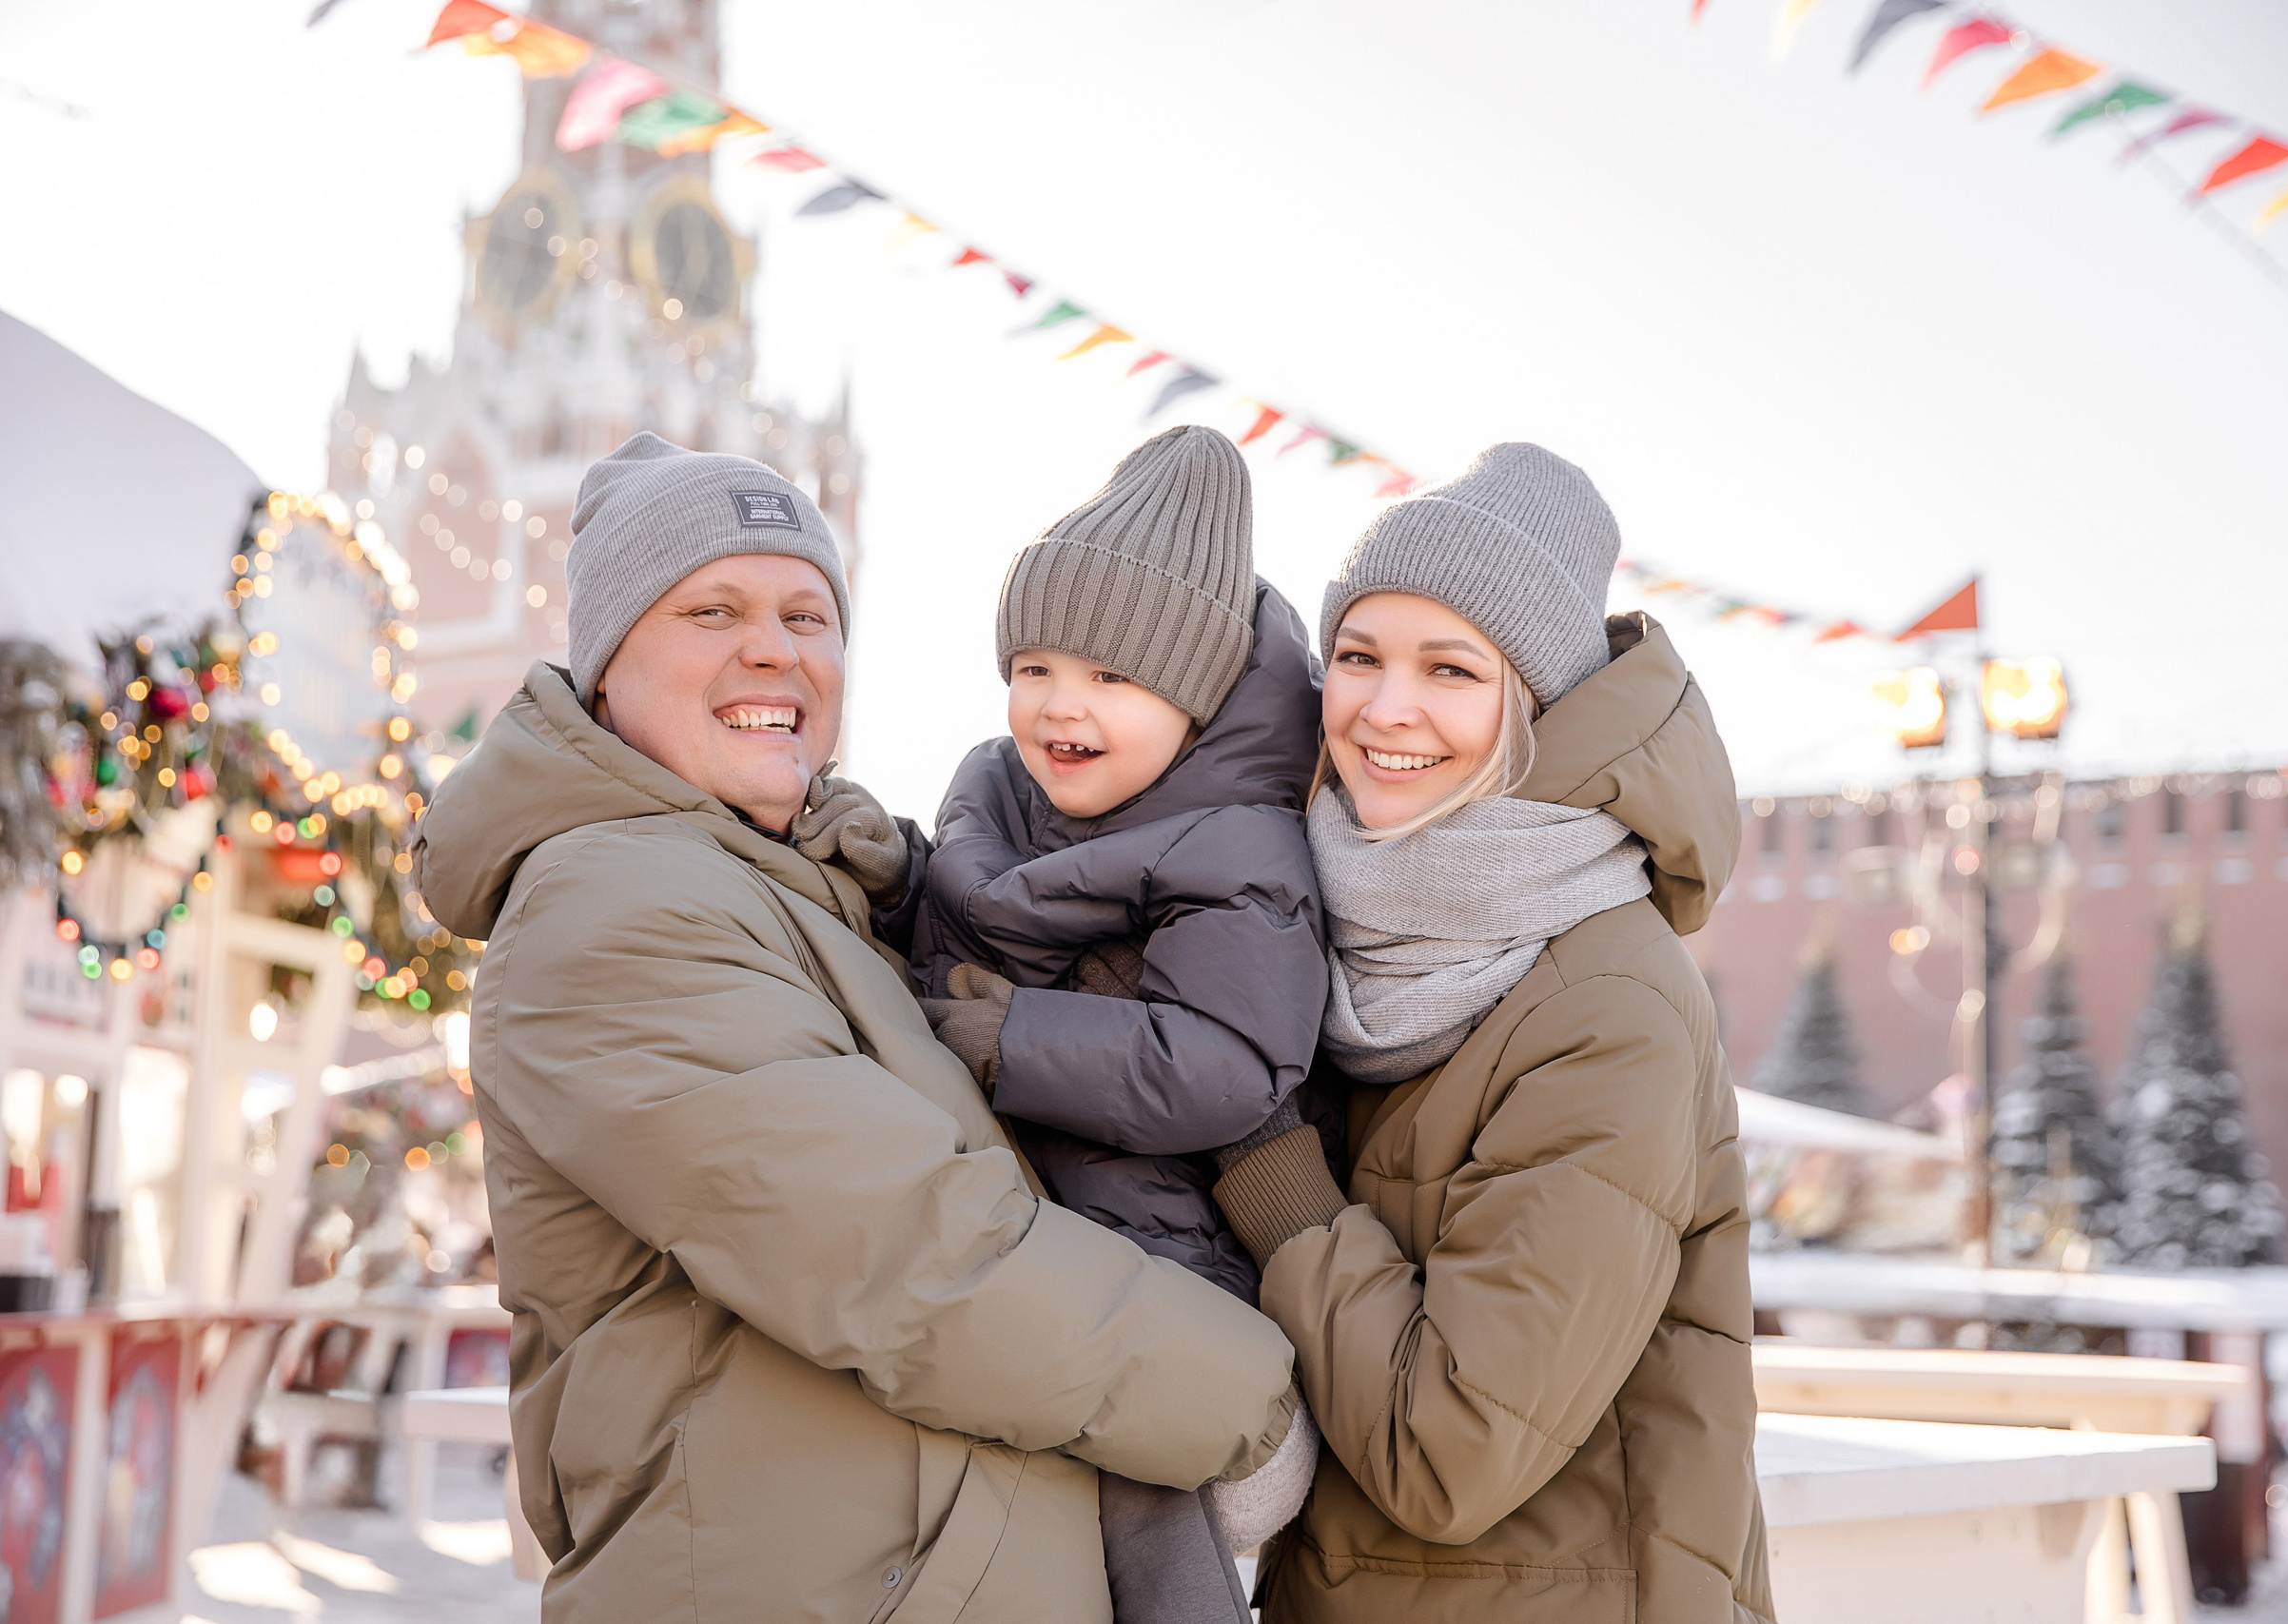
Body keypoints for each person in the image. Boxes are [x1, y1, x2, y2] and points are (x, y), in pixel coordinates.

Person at [411, 432, 1298, 1624]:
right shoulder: (611, 908)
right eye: (711, 609)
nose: (773, 647)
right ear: (608, 662)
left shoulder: (796, 891)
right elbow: (915, 1257)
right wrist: (1255, 1394)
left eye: (807, 614)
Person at [1208, 443, 1778, 1622]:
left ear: (1536, 702)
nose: (1386, 707)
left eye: (1450, 669)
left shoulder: (1606, 1012)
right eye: (1356, 656)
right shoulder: (1329, 931)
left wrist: (1268, 1173)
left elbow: (1449, 1447)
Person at [910, 426, 1325, 1624]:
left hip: (1158, 1253)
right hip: (1016, 1232)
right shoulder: (1001, 796)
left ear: (1192, 702)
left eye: (1110, 678)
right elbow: (941, 927)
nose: (1060, 705)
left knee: (1142, 1515)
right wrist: (885, 868)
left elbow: (1226, 1064)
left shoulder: (1240, 851)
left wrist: (1005, 1044)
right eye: (1033, 665)